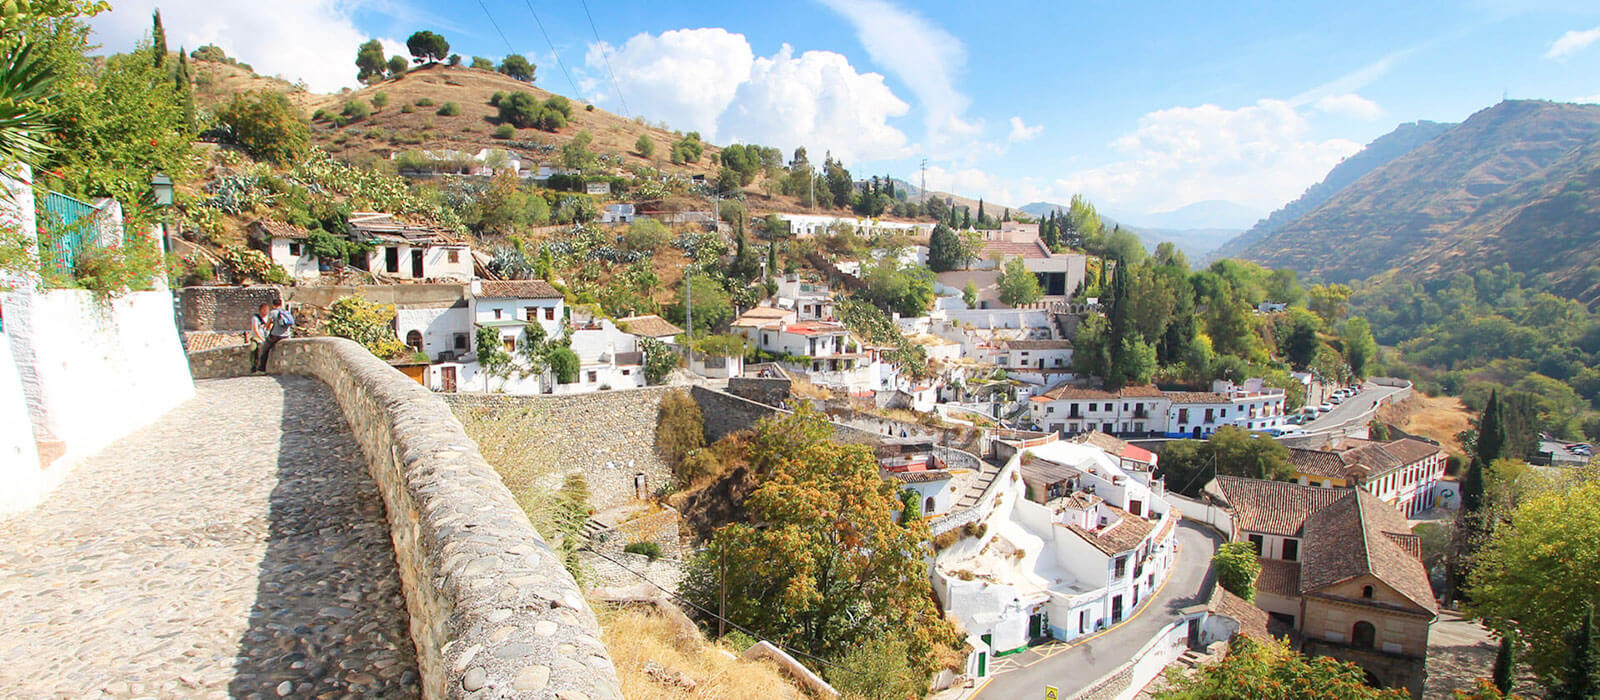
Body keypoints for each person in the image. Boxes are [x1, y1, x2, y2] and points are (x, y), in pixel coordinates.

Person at [255, 300, 295, 372]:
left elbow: (268, 324)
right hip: (286, 335)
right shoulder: (286, 312)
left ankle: (261, 368)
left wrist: (265, 328)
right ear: (281, 304)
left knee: (264, 349)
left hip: (276, 335)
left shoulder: (273, 312)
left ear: (273, 305)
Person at [248, 303, 271, 371]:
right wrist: (261, 338)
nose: (266, 311)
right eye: (265, 310)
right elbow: (255, 329)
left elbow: (269, 327)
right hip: (256, 338)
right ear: (261, 310)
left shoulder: (268, 318)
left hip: (266, 337)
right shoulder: (255, 318)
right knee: (253, 348)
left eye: (267, 310)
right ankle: (253, 365)